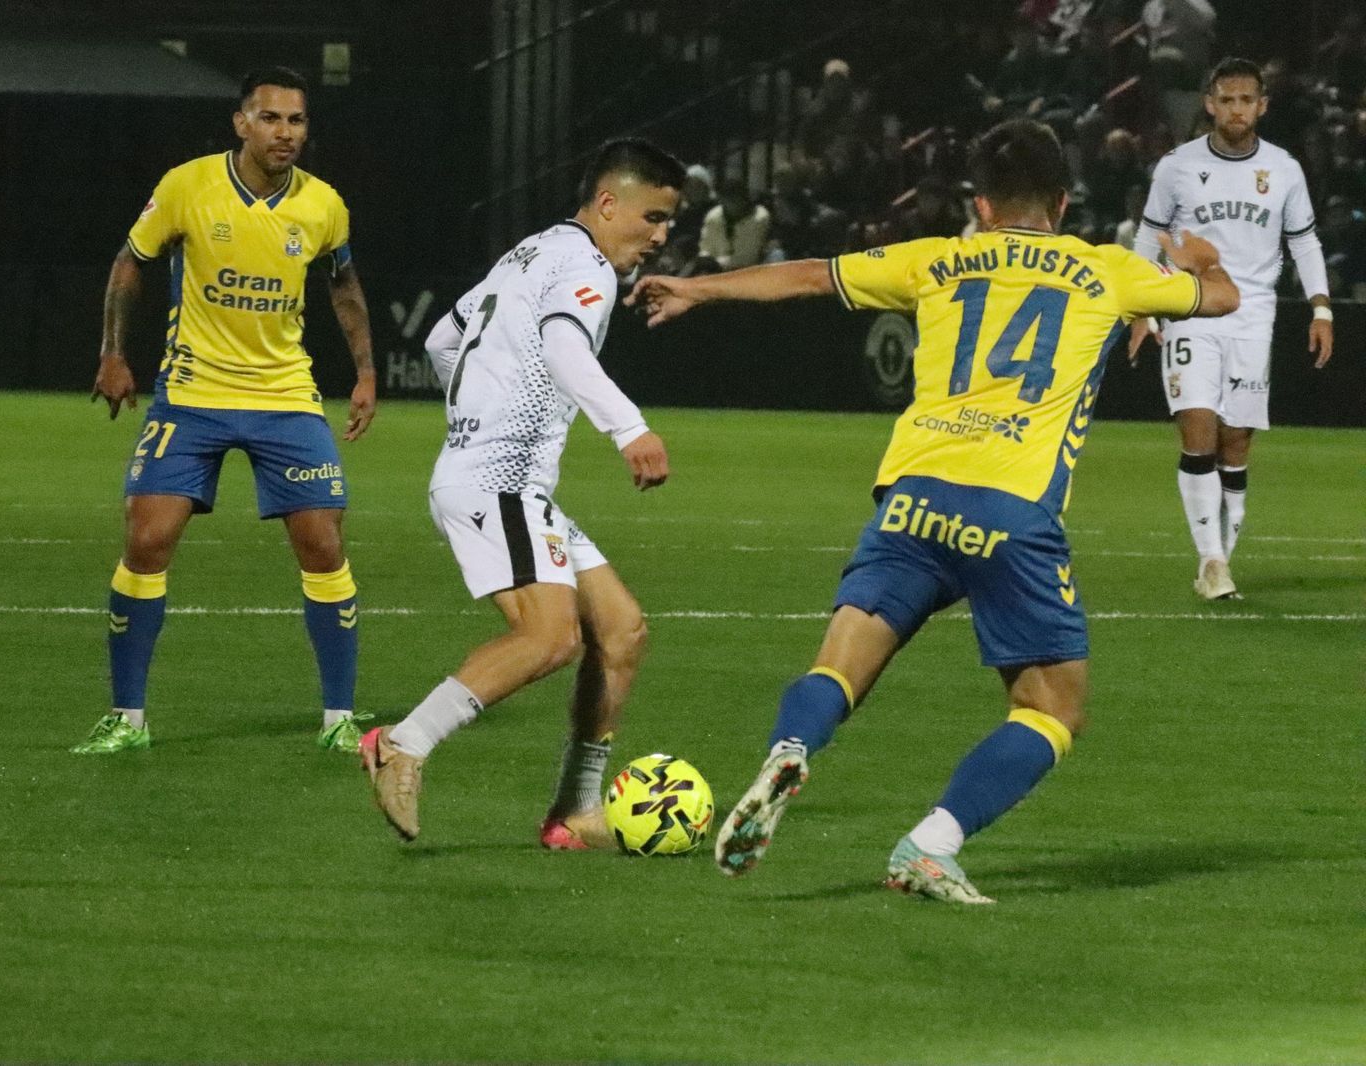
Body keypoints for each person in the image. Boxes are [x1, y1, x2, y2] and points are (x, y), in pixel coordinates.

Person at [628, 119, 1238, 903]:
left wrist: (697, 288)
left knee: (837, 669)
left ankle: (791, 746)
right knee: (1054, 710)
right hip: (1011, 510)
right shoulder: (1106, 271)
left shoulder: (939, 261)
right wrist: (1203, 263)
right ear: (1061, 199)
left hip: (912, 495)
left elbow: (813, 275)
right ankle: (930, 844)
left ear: (981, 204)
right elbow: (1220, 301)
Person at [360, 138, 683, 847]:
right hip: (496, 480)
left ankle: (574, 809)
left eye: (669, 223)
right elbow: (566, 347)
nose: (660, 237)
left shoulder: (531, 252)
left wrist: (479, 408)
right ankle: (403, 743)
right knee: (549, 635)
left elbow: (444, 339)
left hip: (503, 480)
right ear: (607, 204)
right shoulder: (586, 265)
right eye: (652, 217)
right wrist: (629, 429)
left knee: (620, 631)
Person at [77, 67, 380, 755]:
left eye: (297, 122)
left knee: (323, 542)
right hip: (192, 394)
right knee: (146, 539)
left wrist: (364, 371)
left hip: (285, 398)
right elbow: (131, 261)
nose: (285, 133)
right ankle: (127, 719)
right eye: (271, 119)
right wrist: (112, 353)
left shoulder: (323, 205)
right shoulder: (188, 184)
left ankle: (339, 721)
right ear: (242, 123)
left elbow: (346, 287)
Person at [1129, 57, 1333, 600]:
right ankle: (1213, 562)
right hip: (1190, 308)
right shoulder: (1176, 166)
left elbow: (1305, 243)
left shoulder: (1285, 169)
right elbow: (1149, 238)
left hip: (1253, 315)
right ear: (1210, 104)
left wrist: (1321, 308)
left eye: (1247, 100)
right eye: (1227, 99)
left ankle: (1219, 558)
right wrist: (1141, 309)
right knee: (1197, 428)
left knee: (1234, 443)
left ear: (1262, 106)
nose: (1237, 109)